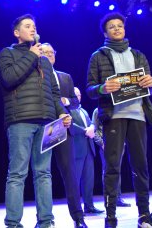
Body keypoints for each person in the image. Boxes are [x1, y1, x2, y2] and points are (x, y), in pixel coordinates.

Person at [85, 12, 152, 228]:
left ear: (125, 29)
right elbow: (90, 89)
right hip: (113, 116)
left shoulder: (138, 55)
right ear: (105, 32)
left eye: (120, 25)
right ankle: (110, 218)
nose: (117, 29)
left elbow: (151, 85)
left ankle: (144, 216)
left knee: (141, 167)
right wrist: (102, 88)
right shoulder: (98, 56)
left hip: (138, 115)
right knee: (112, 168)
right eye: (112, 26)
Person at [0, 14, 72, 228]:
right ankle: (13, 223)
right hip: (20, 120)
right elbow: (9, 79)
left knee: (44, 173)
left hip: (46, 123)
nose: (32, 29)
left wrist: (61, 112)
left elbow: (54, 93)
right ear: (16, 32)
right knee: (17, 173)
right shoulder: (7, 53)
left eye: (34, 26)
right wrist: (31, 55)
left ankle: (46, 221)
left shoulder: (44, 61)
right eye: (27, 26)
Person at [42, 43, 89, 228]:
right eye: (43, 52)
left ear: (55, 55)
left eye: (50, 52)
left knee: (70, 173)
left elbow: (76, 101)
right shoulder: (35, 76)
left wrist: (65, 100)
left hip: (63, 127)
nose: (48, 55)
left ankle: (78, 218)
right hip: (42, 127)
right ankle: (44, 219)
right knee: (42, 173)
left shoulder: (65, 77)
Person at [70, 87, 105, 215]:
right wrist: (85, 130)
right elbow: (70, 126)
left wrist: (91, 127)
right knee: (76, 180)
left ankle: (89, 206)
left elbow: (91, 124)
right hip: (77, 150)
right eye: (75, 95)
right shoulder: (68, 111)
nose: (78, 97)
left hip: (89, 150)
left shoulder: (83, 111)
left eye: (79, 95)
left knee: (88, 180)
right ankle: (77, 208)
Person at [91, 108, 131, 208]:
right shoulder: (98, 110)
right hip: (106, 145)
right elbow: (94, 129)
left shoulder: (118, 108)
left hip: (119, 144)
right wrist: (101, 143)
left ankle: (118, 198)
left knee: (117, 170)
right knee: (107, 172)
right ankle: (109, 198)